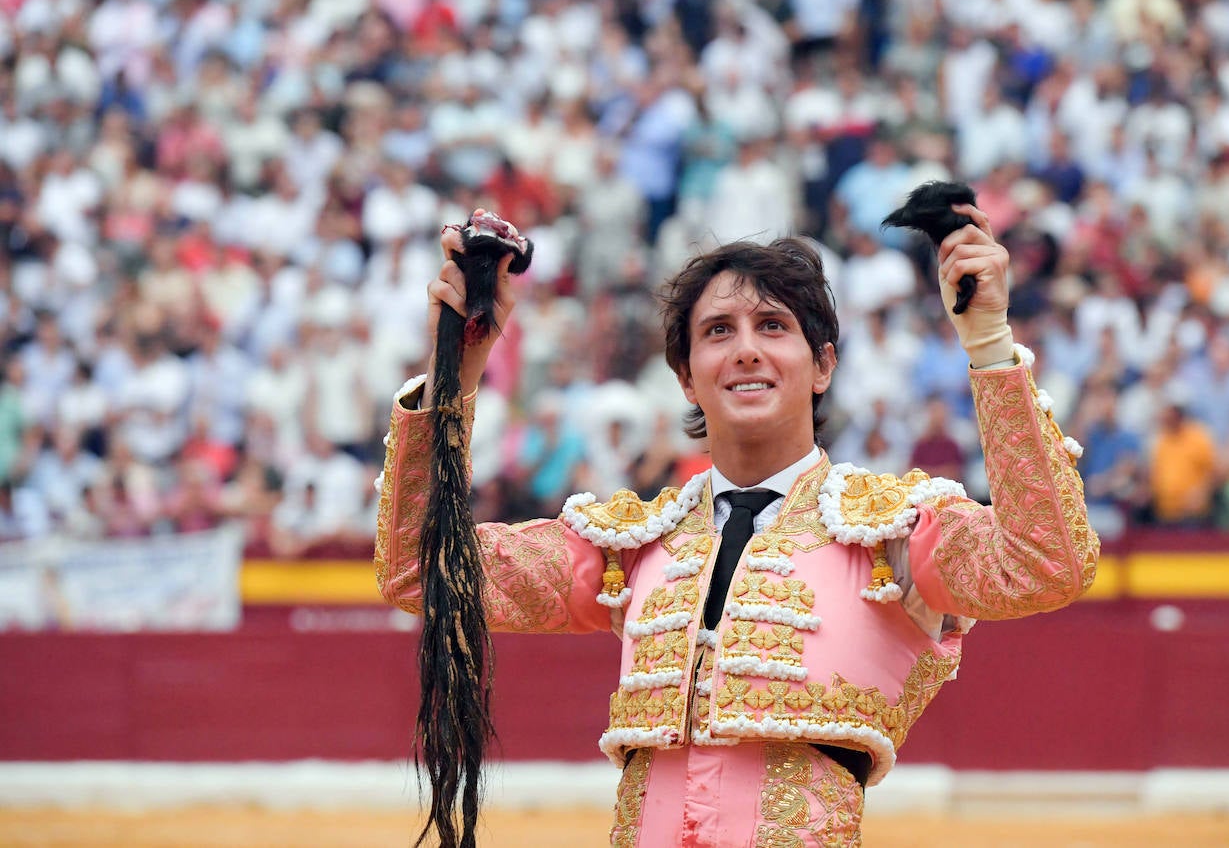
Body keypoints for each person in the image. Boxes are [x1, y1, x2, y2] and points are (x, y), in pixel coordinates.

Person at [375, 204, 1098, 845]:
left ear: (822, 366)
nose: (746, 348)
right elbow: (418, 567)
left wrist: (989, 346)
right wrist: (455, 375)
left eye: (773, 327)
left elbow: (1043, 563)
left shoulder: (894, 535)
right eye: (718, 331)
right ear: (687, 376)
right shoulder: (634, 548)